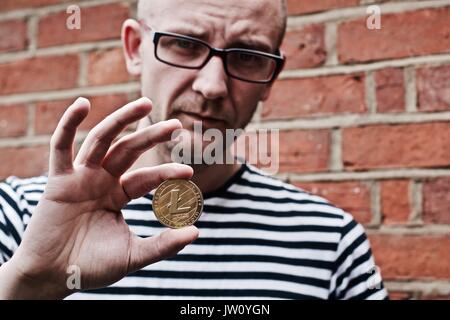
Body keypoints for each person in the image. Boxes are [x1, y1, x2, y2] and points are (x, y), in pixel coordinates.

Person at [0, 0, 388, 299]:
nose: (212, 86)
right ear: (135, 48)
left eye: (248, 56)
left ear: (270, 78)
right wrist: (28, 283)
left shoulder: (331, 240)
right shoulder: (21, 215)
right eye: (185, 45)